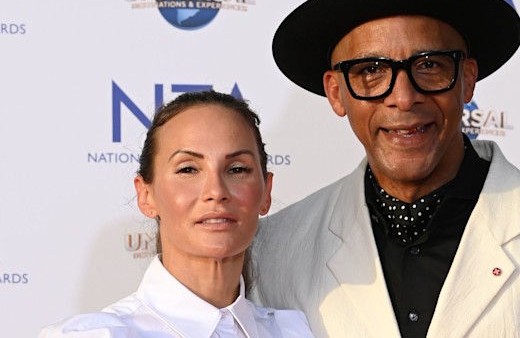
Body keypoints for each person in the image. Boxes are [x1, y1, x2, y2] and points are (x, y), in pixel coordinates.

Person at [250, 0, 520, 337]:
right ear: (336, 92)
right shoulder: (272, 254)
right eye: (371, 70)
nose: (403, 97)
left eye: (429, 66)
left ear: (468, 79)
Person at [40, 91, 314, 337]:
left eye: (237, 169)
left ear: (266, 193)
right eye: (188, 169)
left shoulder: (294, 331)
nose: (216, 191)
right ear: (146, 195)